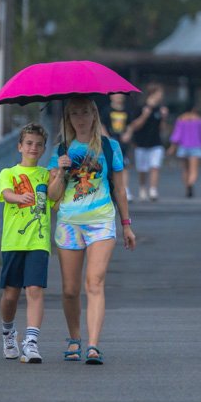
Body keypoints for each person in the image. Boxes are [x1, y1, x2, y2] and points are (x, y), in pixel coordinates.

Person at [48, 97, 135, 364]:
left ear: (94, 115)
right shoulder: (61, 150)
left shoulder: (109, 147)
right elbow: (52, 196)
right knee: (70, 289)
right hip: (69, 223)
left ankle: (93, 345)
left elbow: (119, 189)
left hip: (101, 221)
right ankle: (75, 338)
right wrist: (60, 171)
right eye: (75, 114)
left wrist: (126, 225)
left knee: (94, 282)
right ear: (68, 119)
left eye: (85, 112)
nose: (81, 118)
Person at [0, 123, 64, 363]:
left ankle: (31, 342)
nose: (33, 148)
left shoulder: (47, 174)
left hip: (38, 241)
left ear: (44, 149)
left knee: (34, 290)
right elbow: (6, 194)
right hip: (13, 241)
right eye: (28, 143)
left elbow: (55, 200)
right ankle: (8, 333)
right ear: (20, 147)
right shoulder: (8, 173)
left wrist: (60, 174)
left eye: (38, 145)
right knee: (11, 294)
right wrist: (19, 197)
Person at [129, 84, 168, 201]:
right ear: (153, 93)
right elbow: (134, 126)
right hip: (141, 143)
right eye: (159, 93)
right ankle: (142, 188)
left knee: (155, 166)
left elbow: (162, 129)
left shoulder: (160, 109)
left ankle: (153, 190)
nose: (161, 96)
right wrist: (144, 116)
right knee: (142, 169)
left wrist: (164, 117)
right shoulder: (141, 107)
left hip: (156, 143)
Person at [168, 103, 201, 198]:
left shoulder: (181, 119)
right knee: (194, 170)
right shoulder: (199, 120)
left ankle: (187, 187)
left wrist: (172, 147)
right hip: (196, 146)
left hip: (183, 147)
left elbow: (176, 135)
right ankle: (190, 183)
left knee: (185, 169)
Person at [102, 92, 135, 201]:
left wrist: (128, 134)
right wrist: (107, 138)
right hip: (110, 143)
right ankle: (109, 189)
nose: (119, 96)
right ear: (111, 96)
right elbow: (102, 125)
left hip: (122, 144)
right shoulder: (106, 110)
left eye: (121, 94)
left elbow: (130, 125)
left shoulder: (127, 110)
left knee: (124, 165)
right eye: (116, 94)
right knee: (109, 166)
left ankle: (125, 189)